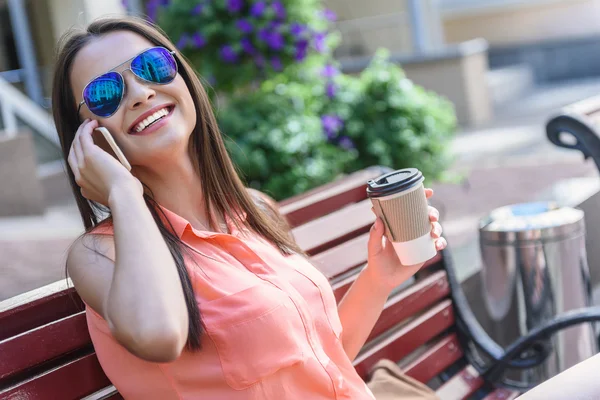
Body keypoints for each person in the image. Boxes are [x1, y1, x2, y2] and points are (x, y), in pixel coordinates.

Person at [52, 16, 447, 400]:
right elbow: (160, 335)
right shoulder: (98, 255)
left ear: (183, 78)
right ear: (86, 137)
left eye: (151, 66)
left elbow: (321, 362)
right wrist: (123, 193)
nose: (140, 93)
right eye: (105, 93)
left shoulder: (256, 210)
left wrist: (379, 278)